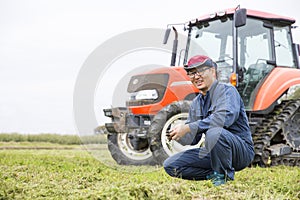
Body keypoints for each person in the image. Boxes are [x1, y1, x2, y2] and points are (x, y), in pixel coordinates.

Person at [163, 55, 255, 186]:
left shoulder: (228, 91)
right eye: (192, 73)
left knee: (214, 132)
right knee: (171, 165)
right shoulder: (196, 103)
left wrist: (189, 127)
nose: (196, 76)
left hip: (240, 152)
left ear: (212, 71)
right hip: (214, 152)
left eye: (200, 71)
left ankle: (223, 177)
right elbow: (193, 139)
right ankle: (213, 174)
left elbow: (224, 119)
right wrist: (178, 134)